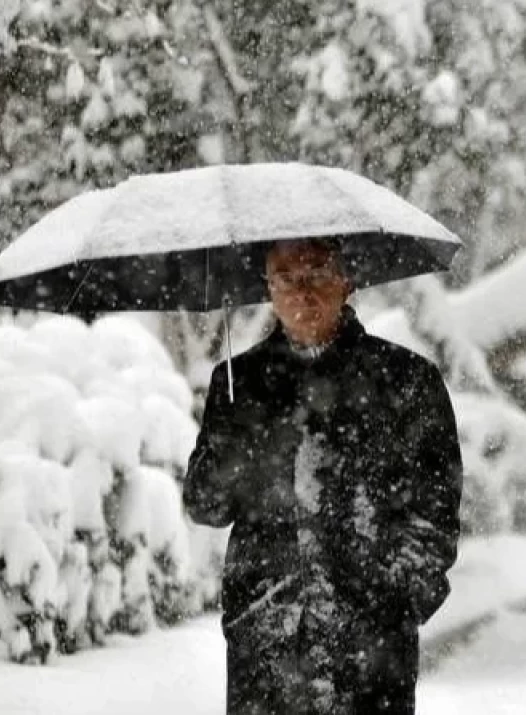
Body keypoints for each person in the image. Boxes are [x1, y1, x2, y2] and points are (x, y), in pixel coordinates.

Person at [183, 238, 463, 715]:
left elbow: (436, 506)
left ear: (347, 279)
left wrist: (399, 596)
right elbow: (205, 505)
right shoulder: (238, 384)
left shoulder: (405, 380)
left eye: (317, 273)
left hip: (372, 646)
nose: (301, 291)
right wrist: (233, 442)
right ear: (267, 288)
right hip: (266, 638)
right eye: (285, 278)